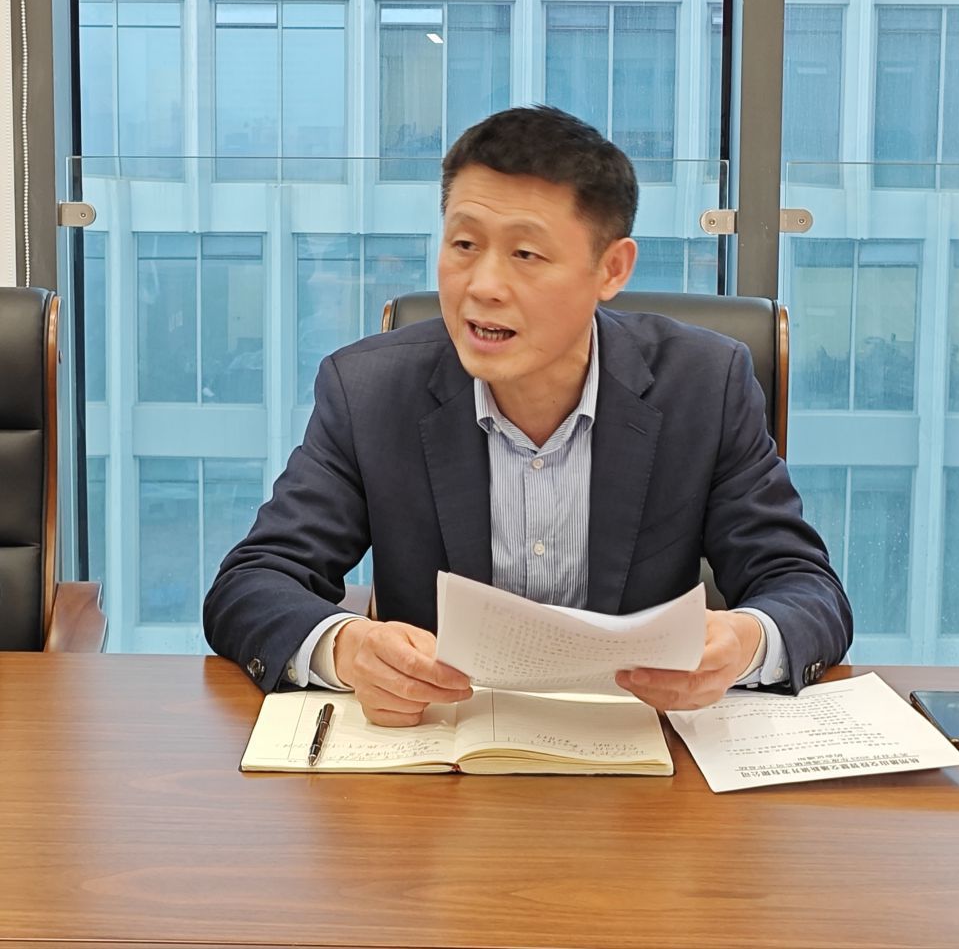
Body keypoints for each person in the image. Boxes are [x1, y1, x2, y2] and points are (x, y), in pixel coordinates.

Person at [203, 106, 852, 725]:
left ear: (611, 268)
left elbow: (804, 588)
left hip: (644, 758)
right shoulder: (369, 391)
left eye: (526, 255)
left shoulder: (704, 385)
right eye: (464, 243)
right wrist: (345, 648)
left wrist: (744, 640)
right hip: (440, 752)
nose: (483, 285)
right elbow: (253, 582)